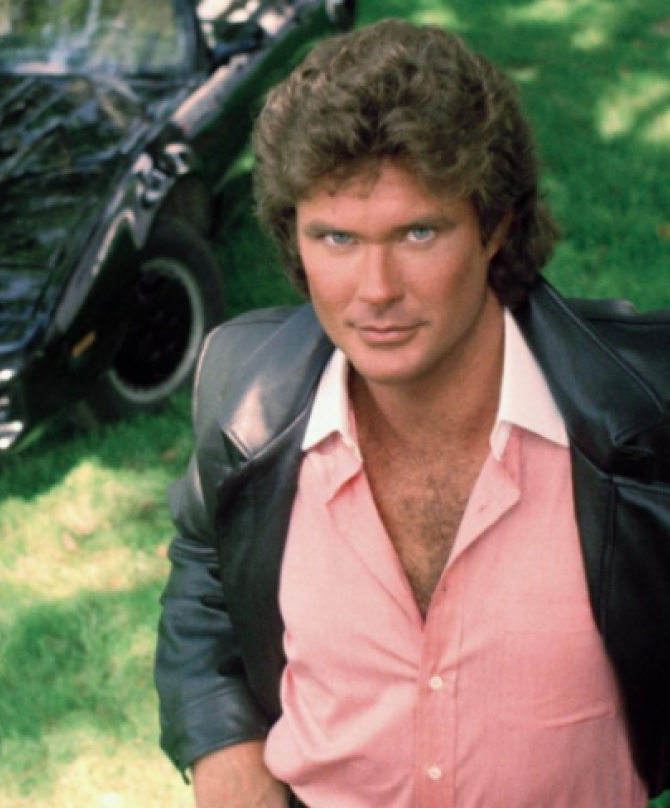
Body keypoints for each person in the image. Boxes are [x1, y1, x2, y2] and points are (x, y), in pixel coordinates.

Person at [155, 18, 670, 808]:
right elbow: (206, 575)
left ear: (495, 228)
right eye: (336, 238)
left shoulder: (645, 412)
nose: (376, 290)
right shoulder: (245, 398)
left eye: (418, 232)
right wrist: (221, 739)